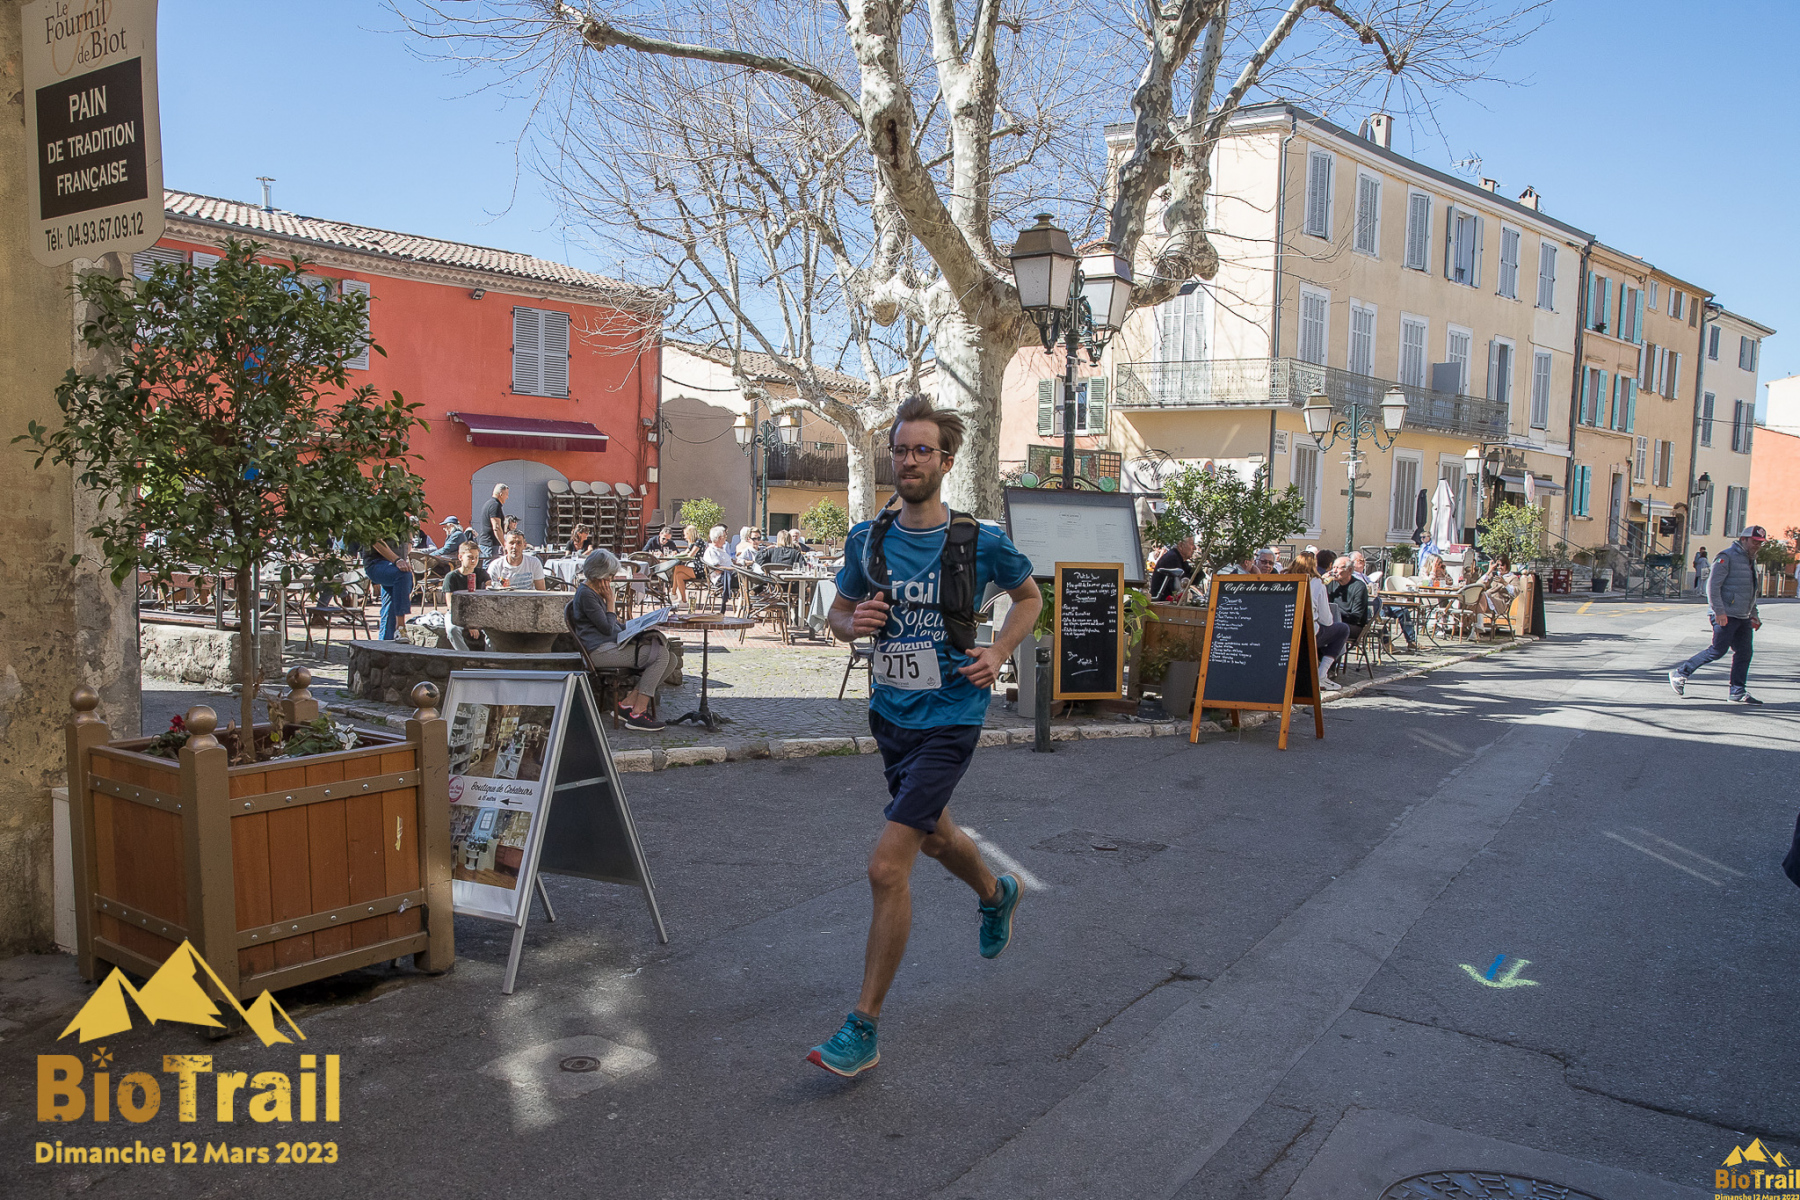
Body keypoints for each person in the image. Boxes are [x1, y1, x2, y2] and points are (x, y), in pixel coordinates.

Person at [808, 394, 1041, 1078]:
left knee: (888, 866)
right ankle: (997, 893)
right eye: (900, 450)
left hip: (951, 718)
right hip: (891, 717)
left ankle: (863, 1027)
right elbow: (838, 616)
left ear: (946, 460)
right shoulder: (868, 539)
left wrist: (999, 651)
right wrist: (853, 624)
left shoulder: (978, 541)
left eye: (921, 451)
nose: (908, 461)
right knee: (936, 837)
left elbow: (1031, 597)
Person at [568, 549, 672, 732]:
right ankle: (638, 713)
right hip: (599, 652)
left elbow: (612, 626)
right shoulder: (586, 595)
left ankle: (627, 704)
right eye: (610, 576)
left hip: (609, 645)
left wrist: (637, 626)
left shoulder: (593, 592)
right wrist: (611, 601)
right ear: (599, 575)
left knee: (672, 660)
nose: (611, 580)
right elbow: (607, 628)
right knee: (661, 655)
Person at [1669, 526, 1767, 704]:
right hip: (1725, 614)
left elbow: (1751, 591)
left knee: (1745, 653)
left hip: (1743, 616)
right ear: (1743, 539)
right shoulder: (1726, 557)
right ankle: (1681, 673)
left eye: (1760, 543)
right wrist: (1719, 612)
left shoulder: (1750, 559)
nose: (1757, 546)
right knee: (1717, 650)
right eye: (1755, 542)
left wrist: (1754, 614)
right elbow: (1712, 586)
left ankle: (1737, 691)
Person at [1293, 549, 1347, 691]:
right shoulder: (1317, 582)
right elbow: (1327, 620)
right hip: (1307, 634)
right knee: (1342, 629)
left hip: (1285, 633)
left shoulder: (1283, 579)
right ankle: (1321, 674)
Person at [1354, 550, 1417, 653]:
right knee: (1380, 614)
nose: (1363, 562)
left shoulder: (1364, 576)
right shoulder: (1352, 577)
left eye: (1364, 560)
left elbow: (1375, 589)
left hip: (1379, 602)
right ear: (1352, 563)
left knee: (1403, 611)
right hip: (1367, 606)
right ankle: (1386, 643)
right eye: (1360, 560)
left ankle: (1411, 641)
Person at [360, 533, 415, 642]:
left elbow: (408, 542)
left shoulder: (405, 523)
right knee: (403, 575)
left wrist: (409, 540)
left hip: (394, 565)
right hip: (376, 563)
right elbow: (375, 539)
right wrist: (397, 560)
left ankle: (385, 644)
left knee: (390, 609)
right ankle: (401, 627)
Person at [442, 540, 490, 651]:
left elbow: (490, 587)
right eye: (470, 557)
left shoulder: (481, 573)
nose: (474, 561)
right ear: (460, 557)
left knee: (494, 631)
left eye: (476, 557)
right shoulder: (451, 577)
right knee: (452, 630)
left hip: (478, 611)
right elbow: (450, 605)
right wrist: (469, 624)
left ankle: (489, 656)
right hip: (457, 612)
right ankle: (465, 655)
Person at [1473, 555, 1518, 634]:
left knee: (1481, 596)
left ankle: (1477, 626)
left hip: (1500, 603)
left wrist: (1504, 583)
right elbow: (1478, 584)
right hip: (1487, 601)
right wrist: (1489, 571)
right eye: (1498, 565)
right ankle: (1474, 631)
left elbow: (1515, 592)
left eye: (1502, 565)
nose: (1499, 567)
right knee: (1472, 601)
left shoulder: (1512, 577)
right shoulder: (1494, 575)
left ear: (1507, 565)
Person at [702, 526, 736, 611]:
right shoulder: (711, 551)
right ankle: (754, 600)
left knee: (750, 575)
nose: (726, 539)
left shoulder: (721, 550)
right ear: (719, 538)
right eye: (724, 536)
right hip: (721, 578)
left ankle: (753, 598)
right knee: (747, 579)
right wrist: (732, 569)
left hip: (731, 574)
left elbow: (730, 562)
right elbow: (717, 569)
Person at [1150, 536, 1195, 601]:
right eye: (1191, 544)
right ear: (1181, 545)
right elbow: (1177, 588)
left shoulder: (1179, 559)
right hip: (1162, 602)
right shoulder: (1172, 558)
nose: (1194, 548)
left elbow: (1193, 576)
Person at [478, 484, 508, 561]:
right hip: (490, 545)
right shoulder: (495, 505)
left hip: (486, 544)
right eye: (506, 494)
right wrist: (504, 545)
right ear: (501, 494)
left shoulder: (489, 504)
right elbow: (496, 527)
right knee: (490, 566)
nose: (507, 497)